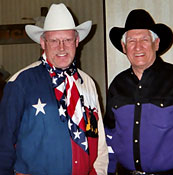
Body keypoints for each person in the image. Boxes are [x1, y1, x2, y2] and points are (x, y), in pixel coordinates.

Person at [0, 3, 108, 175]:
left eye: (67, 40)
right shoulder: (20, 83)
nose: (62, 47)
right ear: (43, 43)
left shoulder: (87, 83)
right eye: (54, 40)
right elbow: (3, 146)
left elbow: (100, 141)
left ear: (77, 41)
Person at [104, 9, 173, 175]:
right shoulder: (117, 85)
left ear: (156, 43)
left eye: (144, 39)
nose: (138, 46)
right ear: (124, 47)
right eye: (131, 40)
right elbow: (110, 134)